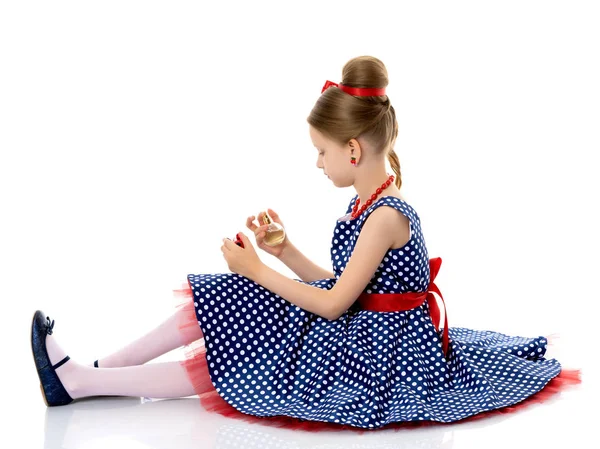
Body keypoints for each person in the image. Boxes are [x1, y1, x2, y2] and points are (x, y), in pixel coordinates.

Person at [31, 55, 581, 431]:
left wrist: (260, 273)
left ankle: (81, 382)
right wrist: (283, 251)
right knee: (233, 298)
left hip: (382, 355)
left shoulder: (388, 216)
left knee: (248, 337)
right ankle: (93, 372)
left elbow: (336, 302)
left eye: (321, 152)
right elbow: (343, 284)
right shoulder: (371, 200)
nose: (316, 163)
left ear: (352, 151)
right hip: (367, 324)